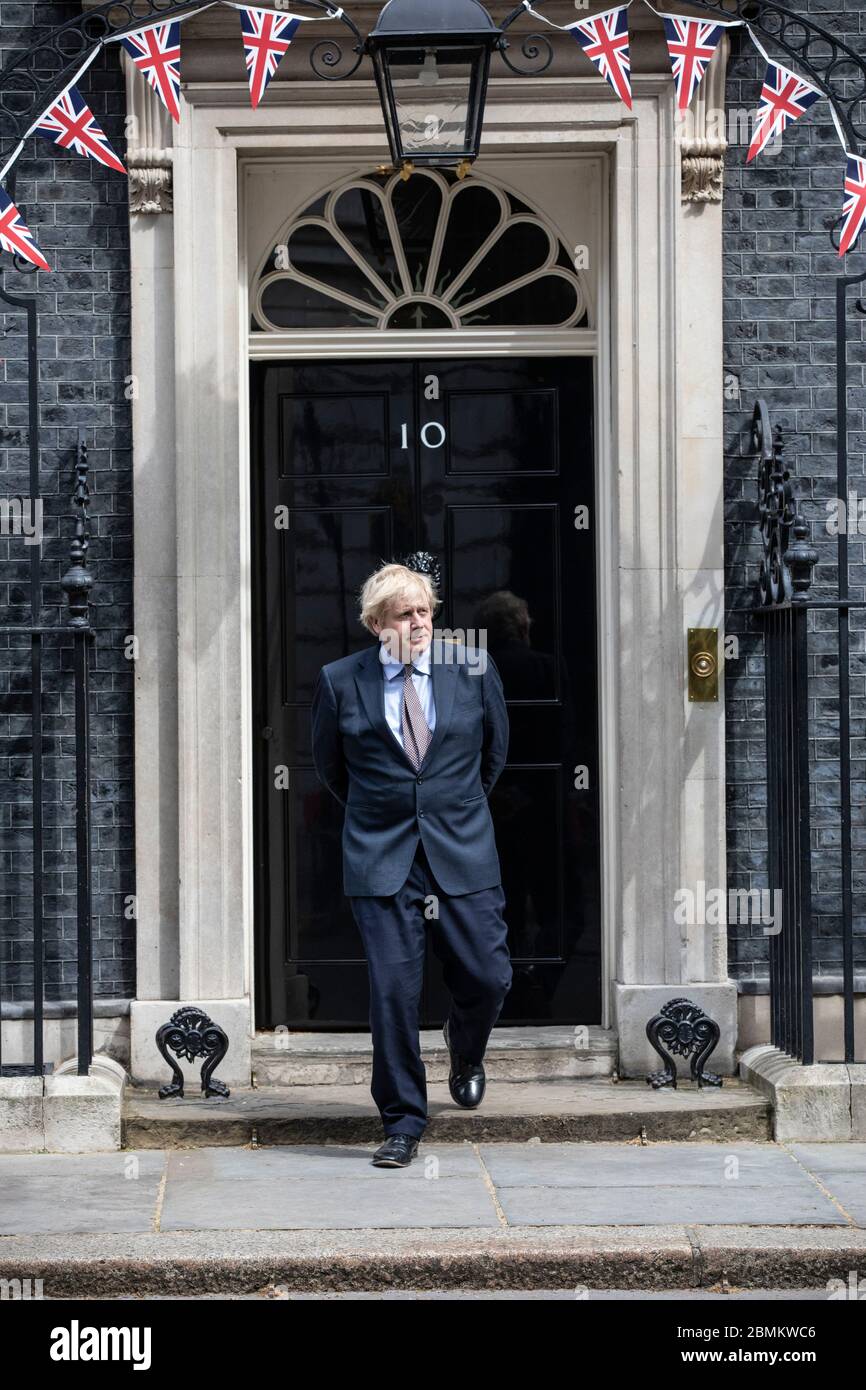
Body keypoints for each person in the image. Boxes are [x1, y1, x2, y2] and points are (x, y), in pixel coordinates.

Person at [311, 561, 513, 1167]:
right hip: (380, 854)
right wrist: (387, 811)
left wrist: (448, 807)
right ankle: (402, 1119)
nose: (419, 622)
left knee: (489, 974)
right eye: (405, 613)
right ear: (377, 624)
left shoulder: (473, 669)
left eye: (425, 610)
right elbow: (330, 768)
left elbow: (494, 753)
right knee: (393, 992)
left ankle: (465, 1047)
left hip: (461, 845)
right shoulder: (339, 681)